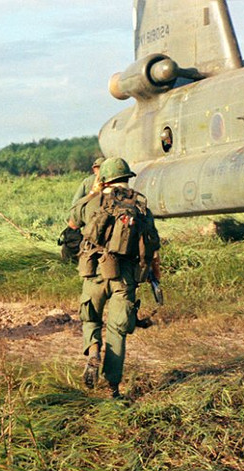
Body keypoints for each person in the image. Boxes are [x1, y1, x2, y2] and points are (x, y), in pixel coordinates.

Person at [69, 157, 161, 398]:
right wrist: (156, 280)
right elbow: (153, 248)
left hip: (95, 272)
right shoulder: (140, 207)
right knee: (117, 330)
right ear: (127, 178)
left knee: (91, 319)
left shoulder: (91, 203)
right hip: (125, 277)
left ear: (104, 178)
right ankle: (112, 389)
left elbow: (71, 222)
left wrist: (92, 193)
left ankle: (93, 353)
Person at [59, 157, 104, 263]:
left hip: (87, 217)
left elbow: (75, 203)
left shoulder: (87, 181)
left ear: (94, 168)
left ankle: (73, 259)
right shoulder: (113, 182)